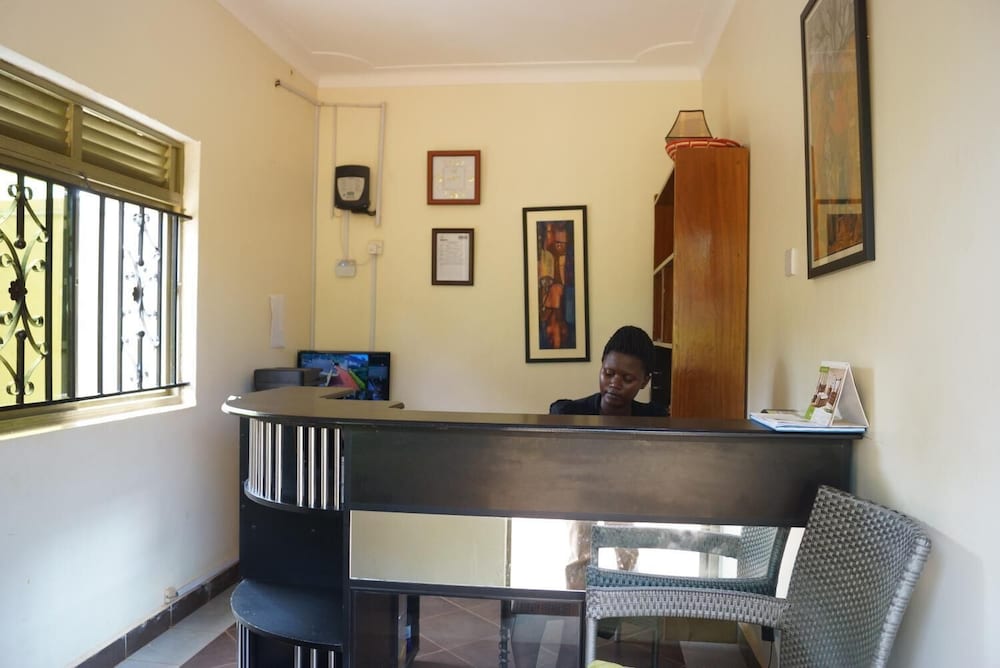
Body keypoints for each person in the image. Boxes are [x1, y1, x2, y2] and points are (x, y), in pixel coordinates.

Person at [549, 325, 667, 589]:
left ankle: (624, 606)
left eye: (627, 378)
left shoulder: (654, 418)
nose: (614, 384)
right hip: (581, 496)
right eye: (608, 373)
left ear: (645, 381)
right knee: (580, 559)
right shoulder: (570, 413)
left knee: (628, 558)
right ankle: (581, 609)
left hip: (626, 495)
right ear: (601, 367)